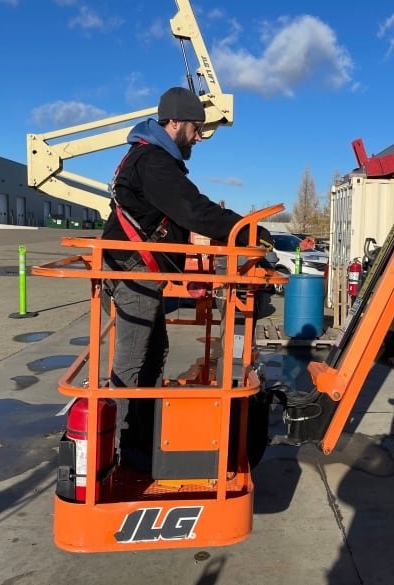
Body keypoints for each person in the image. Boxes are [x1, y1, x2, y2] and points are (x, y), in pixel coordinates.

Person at [101, 86, 273, 469]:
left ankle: (142, 439)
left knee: (154, 351)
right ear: (174, 122)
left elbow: (185, 212)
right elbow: (193, 209)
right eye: (196, 127)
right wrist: (248, 230)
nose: (199, 135)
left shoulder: (151, 159)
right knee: (131, 362)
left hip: (135, 269)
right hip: (132, 270)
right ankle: (120, 451)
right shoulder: (152, 161)